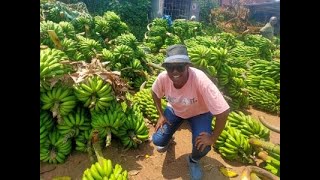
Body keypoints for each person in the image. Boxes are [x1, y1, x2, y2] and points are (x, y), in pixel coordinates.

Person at [151, 44, 230, 180]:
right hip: (175, 110)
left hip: (200, 113)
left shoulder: (200, 79)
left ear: (187, 66)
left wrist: (212, 138)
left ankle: (193, 160)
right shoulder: (163, 77)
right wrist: (161, 115)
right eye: (170, 67)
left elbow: (223, 112)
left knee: (202, 146)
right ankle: (169, 140)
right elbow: (154, 93)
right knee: (158, 140)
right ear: (166, 68)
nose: (175, 72)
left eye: (180, 67)